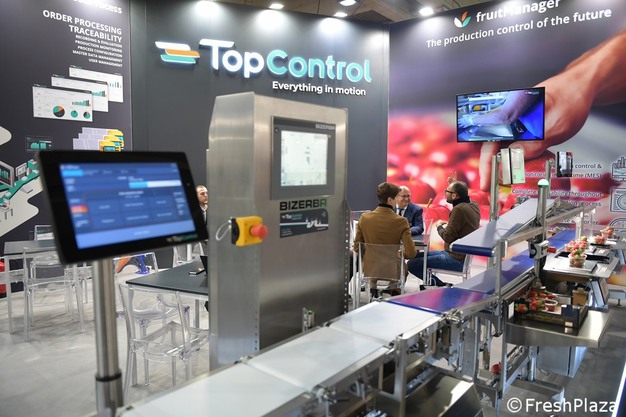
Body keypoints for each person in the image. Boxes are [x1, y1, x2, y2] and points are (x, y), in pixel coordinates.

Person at [407, 180, 479, 289]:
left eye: (447, 191)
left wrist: (439, 226)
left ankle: (440, 285)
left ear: (454, 195)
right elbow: (463, 196)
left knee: (412, 264)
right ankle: (431, 284)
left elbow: (447, 236)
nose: (445, 193)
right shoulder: (473, 205)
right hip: (458, 255)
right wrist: (455, 185)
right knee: (415, 256)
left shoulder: (458, 210)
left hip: (455, 258)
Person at [353, 182, 417, 297]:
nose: (398, 201)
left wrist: (369, 253)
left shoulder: (364, 218)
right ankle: (393, 294)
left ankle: (373, 291)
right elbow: (411, 253)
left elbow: (357, 247)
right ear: (390, 199)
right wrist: (400, 253)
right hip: (393, 272)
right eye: (397, 197)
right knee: (401, 268)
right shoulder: (401, 221)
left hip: (369, 270)